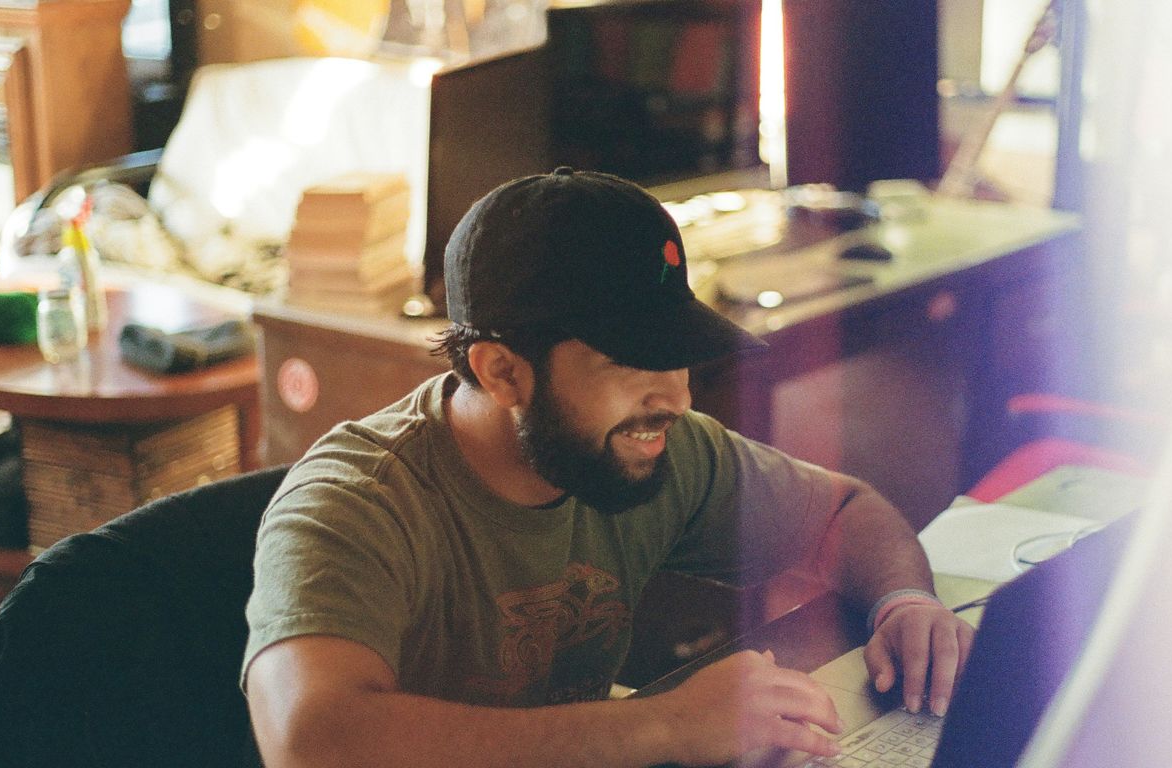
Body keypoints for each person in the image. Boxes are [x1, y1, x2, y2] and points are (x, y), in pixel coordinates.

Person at [243, 167, 974, 767]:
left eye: (677, 354)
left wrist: (903, 604)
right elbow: (311, 743)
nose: (678, 397)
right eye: (630, 365)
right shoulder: (355, 504)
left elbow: (845, 513)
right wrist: (664, 725)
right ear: (500, 372)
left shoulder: (656, 442)